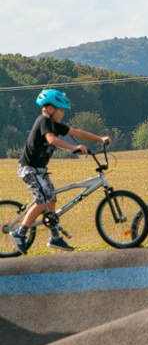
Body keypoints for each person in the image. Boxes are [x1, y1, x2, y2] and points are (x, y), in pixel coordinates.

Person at [9, 89, 112, 253]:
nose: (63, 114)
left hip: (40, 170)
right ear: (50, 109)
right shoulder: (43, 122)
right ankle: (20, 233)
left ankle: (55, 237)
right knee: (43, 200)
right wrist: (74, 147)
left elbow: (76, 132)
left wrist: (99, 138)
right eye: (61, 110)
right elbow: (52, 139)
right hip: (29, 169)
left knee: (51, 200)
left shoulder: (55, 124)